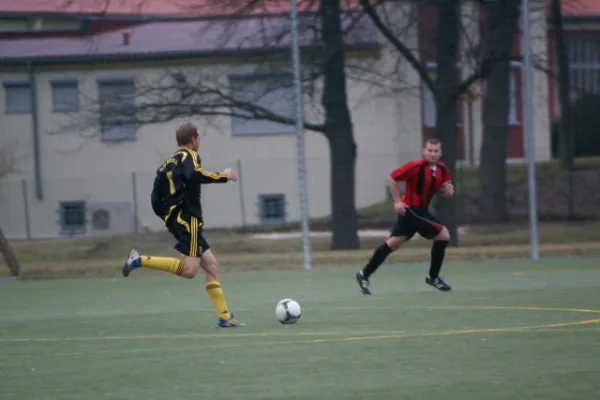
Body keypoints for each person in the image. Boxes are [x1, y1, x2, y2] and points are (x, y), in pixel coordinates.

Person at [122, 122, 246, 328]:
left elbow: (155, 199)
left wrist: (169, 218)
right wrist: (223, 175)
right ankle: (139, 260)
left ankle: (224, 317)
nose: (199, 142)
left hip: (178, 220)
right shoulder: (189, 156)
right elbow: (194, 175)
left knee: (211, 265)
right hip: (189, 220)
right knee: (189, 270)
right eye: (199, 139)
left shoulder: (166, 165)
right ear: (193, 139)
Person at [356, 138, 454, 295]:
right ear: (424, 151)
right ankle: (433, 277)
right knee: (444, 235)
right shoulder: (415, 166)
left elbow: (447, 187)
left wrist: (449, 190)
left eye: (436, 151)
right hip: (411, 210)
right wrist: (397, 202)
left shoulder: (443, 169)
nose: (433, 154)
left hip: (419, 211)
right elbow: (393, 178)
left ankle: (364, 274)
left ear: (440, 153)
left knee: (393, 243)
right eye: (430, 150)